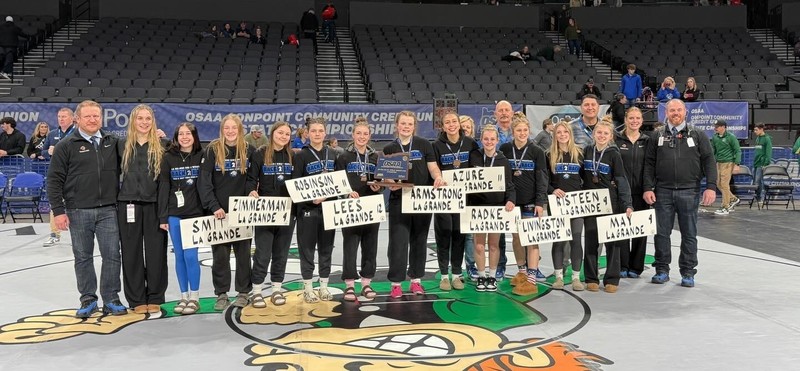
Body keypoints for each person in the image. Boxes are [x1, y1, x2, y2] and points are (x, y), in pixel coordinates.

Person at [47, 100, 126, 317]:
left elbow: (136, 153)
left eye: (96, 116)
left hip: (109, 209)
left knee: (112, 256)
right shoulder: (66, 145)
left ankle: (111, 298)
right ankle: (88, 299)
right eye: (88, 116)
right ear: (77, 119)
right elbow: (54, 180)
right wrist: (59, 211)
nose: (93, 120)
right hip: (77, 211)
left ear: (101, 118)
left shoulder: (113, 141)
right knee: (83, 257)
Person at [643, 99, 717, 288]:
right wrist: (648, 188)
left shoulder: (698, 134)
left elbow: (709, 160)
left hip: (689, 191)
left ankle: (688, 272)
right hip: (663, 192)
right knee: (661, 234)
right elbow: (649, 164)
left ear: (685, 112)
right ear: (666, 113)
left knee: (689, 234)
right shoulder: (656, 135)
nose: (675, 113)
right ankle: (662, 270)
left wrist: (711, 186)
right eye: (672, 110)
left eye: (679, 110)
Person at [382, 111, 446, 298]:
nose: (406, 127)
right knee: (398, 242)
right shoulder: (388, 148)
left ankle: (416, 280)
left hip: (421, 200)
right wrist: (390, 183)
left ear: (414, 126)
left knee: (419, 240)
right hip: (399, 201)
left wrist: (439, 177)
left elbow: (433, 167)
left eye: (410, 124)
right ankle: (396, 282)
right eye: (403, 123)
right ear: (397, 125)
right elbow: (385, 175)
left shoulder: (424, 144)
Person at [199, 113, 253, 310]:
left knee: (244, 255)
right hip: (218, 214)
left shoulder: (249, 150)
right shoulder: (212, 150)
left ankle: (243, 292)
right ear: (222, 130)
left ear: (240, 130)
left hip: (242, 214)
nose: (230, 131)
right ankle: (221, 293)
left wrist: (251, 194)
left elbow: (251, 179)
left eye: (234, 128)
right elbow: (204, 182)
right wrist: (214, 207)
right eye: (226, 128)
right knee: (220, 257)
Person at [117, 104, 168, 315]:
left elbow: (167, 182)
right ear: (133, 121)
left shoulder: (164, 146)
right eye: (140, 118)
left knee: (156, 253)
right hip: (128, 205)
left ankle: (155, 295)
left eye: (148, 119)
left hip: (155, 206)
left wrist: (165, 211)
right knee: (131, 253)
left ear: (153, 122)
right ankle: (136, 298)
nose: (144, 122)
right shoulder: (120, 145)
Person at [246, 121, 295, 308]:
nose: (283, 136)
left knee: (281, 253)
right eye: (280, 133)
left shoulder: (293, 156)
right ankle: (257, 290)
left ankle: (276, 289)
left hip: (287, 212)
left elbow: (299, 182)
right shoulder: (260, 154)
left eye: (287, 134)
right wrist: (251, 191)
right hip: (265, 211)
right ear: (273, 133)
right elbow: (251, 179)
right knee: (263, 253)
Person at [582, 117, 633, 293]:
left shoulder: (614, 154)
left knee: (612, 243)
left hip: (610, 203)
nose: (602, 135)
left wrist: (627, 203)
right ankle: (591, 277)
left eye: (605, 133)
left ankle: (612, 278)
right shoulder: (587, 151)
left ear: (610, 136)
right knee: (591, 241)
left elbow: (621, 179)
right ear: (594, 134)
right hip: (590, 204)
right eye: (599, 132)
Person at [335, 118, 383, 301]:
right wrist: (347, 193)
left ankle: (366, 282)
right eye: (358, 133)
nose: (362, 137)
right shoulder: (343, 157)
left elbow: (382, 180)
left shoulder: (375, 157)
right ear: (352, 135)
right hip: (351, 207)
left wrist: (380, 187)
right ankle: (349, 284)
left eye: (365, 134)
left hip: (371, 206)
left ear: (369, 136)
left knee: (370, 245)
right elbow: (338, 180)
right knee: (350, 245)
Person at [158, 122, 204, 315]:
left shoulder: (203, 156)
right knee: (179, 256)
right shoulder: (168, 158)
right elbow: (164, 187)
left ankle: (195, 296)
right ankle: (183, 296)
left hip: (195, 214)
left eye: (189, 134)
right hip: (174, 214)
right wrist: (163, 216)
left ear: (194, 136)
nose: (185, 137)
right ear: (176, 137)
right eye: (181, 134)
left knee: (191, 256)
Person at [292, 117, 339, 303]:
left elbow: (339, 182)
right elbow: (294, 184)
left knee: (326, 249)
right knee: (307, 250)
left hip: (329, 209)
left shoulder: (334, 154)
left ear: (325, 133)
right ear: (307, 133)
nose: (317, 134)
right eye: (314, 131)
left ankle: (324, 286)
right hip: (307, 210)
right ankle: (308, 287)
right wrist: (311, 199)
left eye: (320, 131)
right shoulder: (301, 156)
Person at [500, 113, 548, 295]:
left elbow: (542, 178)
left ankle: (532, 278)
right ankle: (521, 272)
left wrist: (540, 202)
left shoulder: (537, 151)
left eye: (525, 130)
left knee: (531, 239)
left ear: (529, 131)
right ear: (513, 132)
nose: (522, 133)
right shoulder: (505, 148)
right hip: (512, 202)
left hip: (530, 201)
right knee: (517, 238)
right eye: (518, 130)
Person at [432, 112, 478, 291]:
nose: (451, 125)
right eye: (447, 123)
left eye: (454, 122)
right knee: (444, 234)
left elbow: (476, 168)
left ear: (459, 124)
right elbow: (433, 168)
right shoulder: (436, 146)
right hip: (443, 198)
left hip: (463, 198)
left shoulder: (470, 143)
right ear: (443, 127)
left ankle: (458, 274)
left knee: (459, 234)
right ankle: (444, 275)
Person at [469, 125, 516, 292]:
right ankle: (481, 276)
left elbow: (510, 184)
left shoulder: (503, 161)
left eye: (492, 139)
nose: (489, 142)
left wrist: (511, 200)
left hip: (496, 208)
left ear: (497, 141)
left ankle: (492, 276)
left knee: (494, 245)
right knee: (479, 245)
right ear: (481, 140)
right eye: (486, 139)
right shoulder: (473, 157)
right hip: (477, 207)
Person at [547, 121, 586, 291]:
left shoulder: (580, 153)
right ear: (554, 135)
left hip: (576, 205)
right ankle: (558, 277)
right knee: (559, 241)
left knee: (576, 239)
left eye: (565, 132)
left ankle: (576, 277)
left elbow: (586, 178)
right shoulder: (548, 155)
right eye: (559, 132)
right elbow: (544, 181)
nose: (562, 135)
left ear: (570, 134)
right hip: (556, 205)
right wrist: (553, 190)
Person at [615, 107, 650, 278]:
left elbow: (651, 167)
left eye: (638, 118)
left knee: (639, 231)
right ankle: (622, 265)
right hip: (621, 193)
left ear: (642, 121)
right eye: (631, 118)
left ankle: (636, 267)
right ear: (626, 119)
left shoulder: (647, 141)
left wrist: (649, 188)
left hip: (641, 193)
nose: (634, 121)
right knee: (621, 230)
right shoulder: (616, 139)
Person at [41, 107, 76, 247]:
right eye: (59, 116)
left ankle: (77, 235)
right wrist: (48, 152)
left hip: (73, 173)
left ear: (72, 118)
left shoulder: (77, 133)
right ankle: (54, 234)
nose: (61, 119)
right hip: (57, 174)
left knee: (76, 204)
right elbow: (42, 151)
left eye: (64, 116)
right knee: (55, 204)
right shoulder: (52, 134)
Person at [493, 101, 514, 280]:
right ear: (495, 114)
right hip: (497, 188)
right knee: (498, 232)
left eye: (507, 110)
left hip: (520, 186)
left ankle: (527, 268)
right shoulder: (490, 134)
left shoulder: (521, 132)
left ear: (512, 112)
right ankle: (500, 265)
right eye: (501, 110)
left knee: (521, 230)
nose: (504, 113)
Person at [458, 114, 480, 280]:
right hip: (453, 196)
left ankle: (471, 265)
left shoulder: (474, 146)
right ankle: (455, 267)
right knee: (455, 233)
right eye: (462, 127)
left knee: (471, 234)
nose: (465, 130)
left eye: (468, 127)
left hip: (472, 196)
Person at [710, 119, 742, 215]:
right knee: (718, 184)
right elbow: (713, 151)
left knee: (724, 184)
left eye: (717, 126)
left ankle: (725, 207)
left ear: (723, 127)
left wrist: (736, 164)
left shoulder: (731, 137)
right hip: (718, 163)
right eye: (715, 126)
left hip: (728, 163)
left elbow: (737, 150)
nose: (715, 128)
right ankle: (733, 199)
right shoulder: (715, 137)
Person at [752, 122, 772, 204]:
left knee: (758, 181)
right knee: (756, 181)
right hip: (756, 163)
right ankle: (758, 197)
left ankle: (759, 197)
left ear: (761, 129)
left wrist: (765, 163)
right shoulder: (757, 139)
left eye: (756, 130)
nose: (754, 131)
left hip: (762, 163)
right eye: (754, 130)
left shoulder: (767, 139)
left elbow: (768, 152)